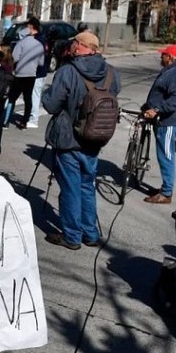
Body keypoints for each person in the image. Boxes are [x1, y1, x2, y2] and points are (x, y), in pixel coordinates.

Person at [42, 31, 120, 249]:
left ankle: (72, 236)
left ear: (79, 46)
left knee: (70, 188)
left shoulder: (68, 71)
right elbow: (114, 94)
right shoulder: (111, 72)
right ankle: (90, 233)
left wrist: (48, 93)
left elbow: (51, 105)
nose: (73, 46)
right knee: (87, 185)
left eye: (75, 42)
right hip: (95, 137)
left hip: (69, 137)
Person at [141, 44, 176, 205]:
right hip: (160, 119)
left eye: (164, 55)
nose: (161, 57)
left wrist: (157, 109)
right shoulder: (171, 70)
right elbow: (161, 94)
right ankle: (165, 188)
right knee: (164, 155)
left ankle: (166, 193)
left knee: (166, 156)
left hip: (168, 122)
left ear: (171, 58)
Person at [6, 18, 44, 129]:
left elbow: (14, 57)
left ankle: (6, 120)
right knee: (28, 98)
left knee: (12, 98)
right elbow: (41, 62)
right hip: (31, 74)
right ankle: (24, 122)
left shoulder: (21, 43)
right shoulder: (39, 45)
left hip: (19, 74)